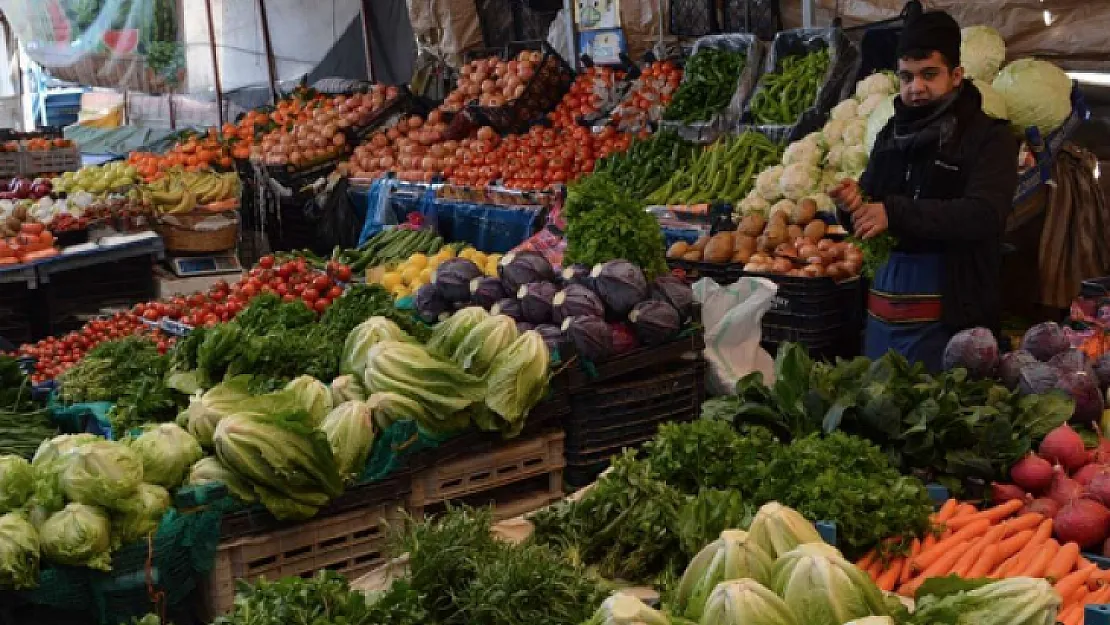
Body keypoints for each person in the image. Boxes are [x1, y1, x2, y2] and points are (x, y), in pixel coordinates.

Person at [830, 10, 1019, 372]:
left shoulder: (989, 138)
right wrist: (851, 205)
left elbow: (984, 214)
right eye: (907, 76)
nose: (916, 88)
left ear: (957, 75)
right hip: (883, 320)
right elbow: (870, 213)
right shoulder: (891, 132)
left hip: (951, 323)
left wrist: (894, 212)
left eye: (929, 74)